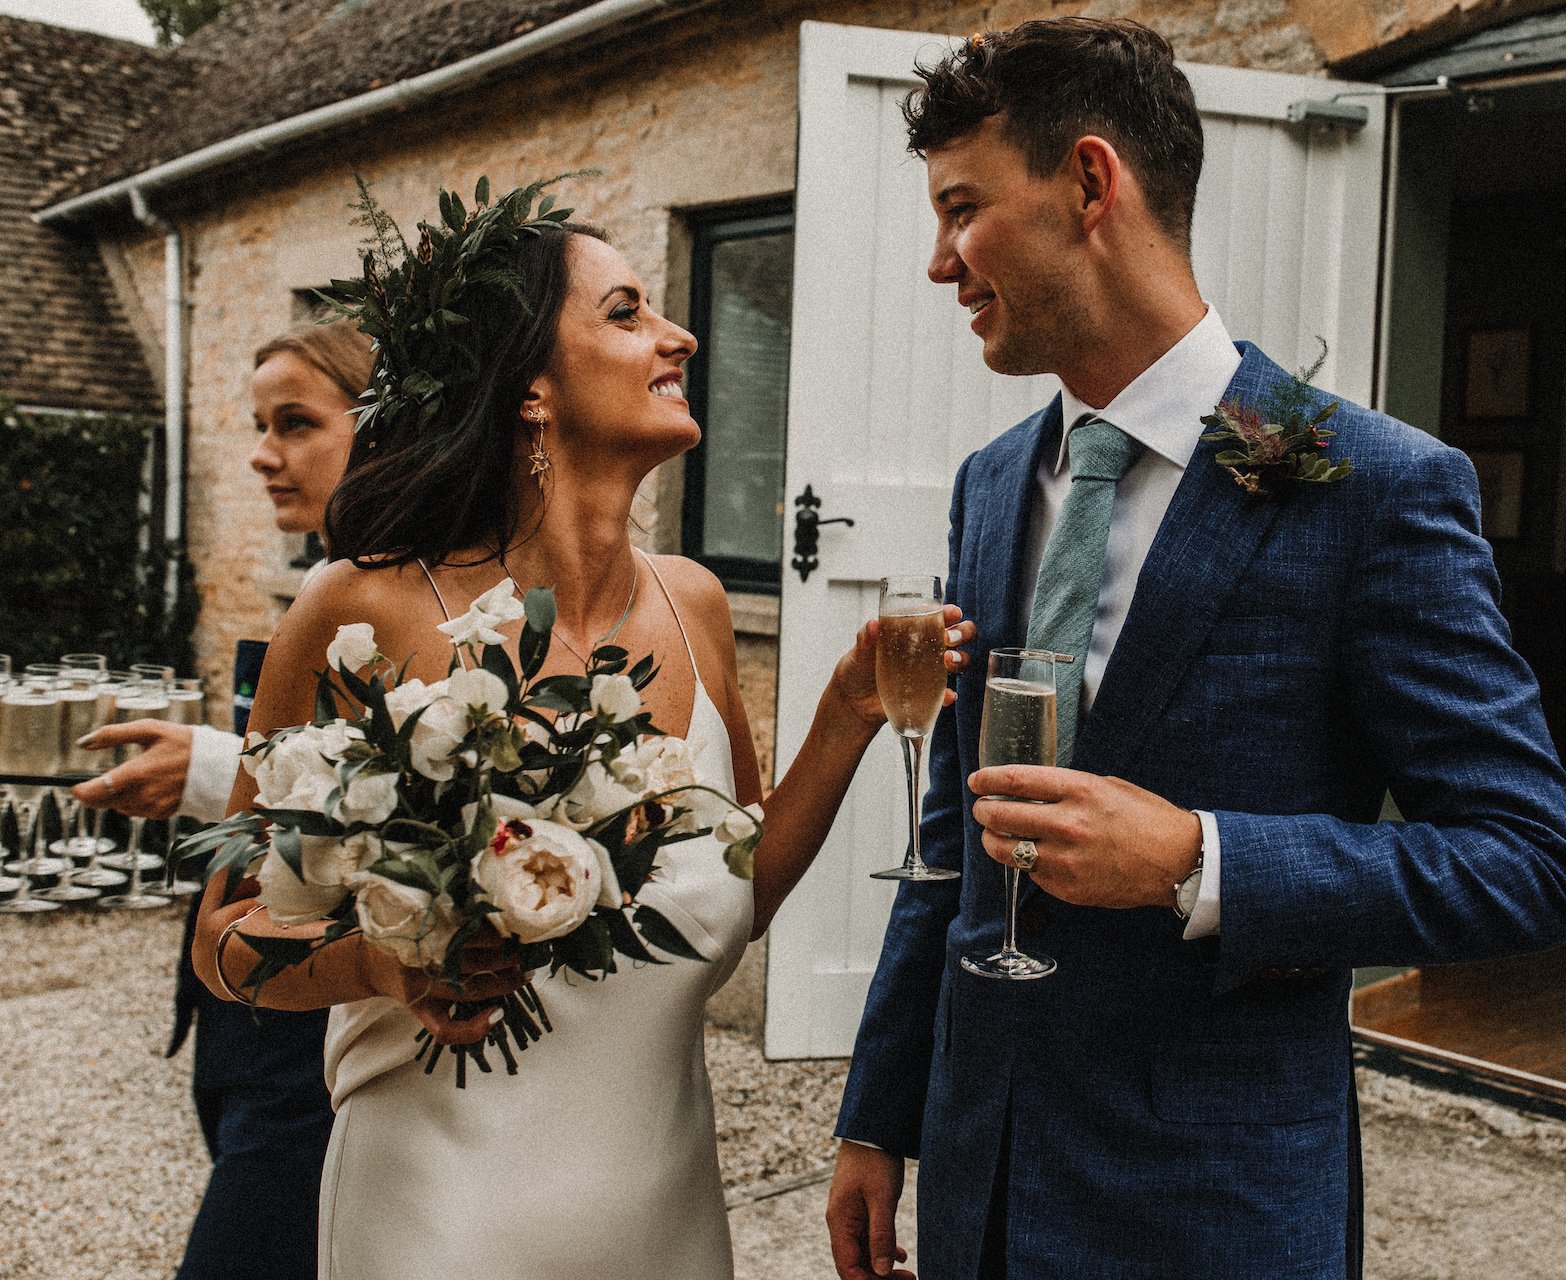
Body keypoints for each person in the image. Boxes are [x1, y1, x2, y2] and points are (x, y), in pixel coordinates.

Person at [826, 20, 1566, 1280]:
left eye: (962, 209)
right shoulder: (990, 482)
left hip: (1212, 1206)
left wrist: (1198, 858)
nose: (938, 262)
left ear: (1088, 182)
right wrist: (881, 1104)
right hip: (985, 1179)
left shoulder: (1359, 480)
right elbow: (962, 833)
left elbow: (1526, 862)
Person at [189, 194, 972, 1279]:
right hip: (439, 1219)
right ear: (531, 391)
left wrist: (845, 713)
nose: (680, 334)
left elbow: (736, 902)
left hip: (666, 1213)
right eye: (627, 312)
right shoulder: (357, 611)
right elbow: (222, 941)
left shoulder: (694, 604)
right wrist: (381, 957)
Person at [73, 322, 373, 1280]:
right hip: (243, 1018)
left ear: (385, 428)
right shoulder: (322, 580)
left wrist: (209, 769)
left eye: (295, 423)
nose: (260, 452)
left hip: (319, 1034)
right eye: (258, 424)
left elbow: (394, 796)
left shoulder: (394, 595)